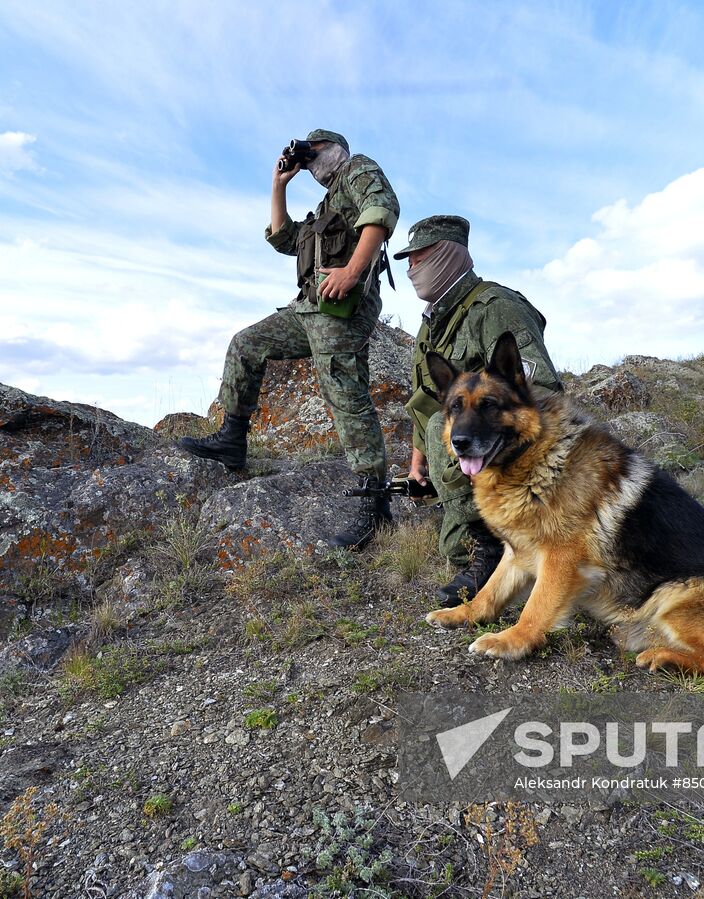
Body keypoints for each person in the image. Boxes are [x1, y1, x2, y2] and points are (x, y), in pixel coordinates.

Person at [178, 129, 400, 550]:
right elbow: (283, 238)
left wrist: (351, 272)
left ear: (334, 148)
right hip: (308, 310)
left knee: (345, 393)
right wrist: (279, 184)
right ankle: (232, 440)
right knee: (247, 344)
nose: (310, 160)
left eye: (314, 151)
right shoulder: (326, 204)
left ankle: (375, 505)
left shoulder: (357, 169)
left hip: (341, 309)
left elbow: (382, 210)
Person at [397, 215, 563, 605]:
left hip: (512, 457)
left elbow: (540, 390)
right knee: (451, 547)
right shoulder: (433, 323)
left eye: (418, 259)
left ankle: (495, 554)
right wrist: (419, 463)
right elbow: (424, 401)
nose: (410, 271)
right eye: (407, 262)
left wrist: (500, 454)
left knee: (453, 424)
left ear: (447, 255)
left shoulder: (496, 307)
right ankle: (489, 545)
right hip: (473, 459)